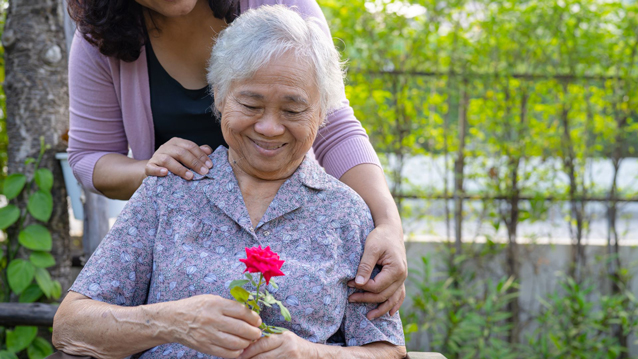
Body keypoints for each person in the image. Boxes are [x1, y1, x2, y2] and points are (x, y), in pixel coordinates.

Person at [52, 6, 406, 358]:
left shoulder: (346, 213)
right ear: (219, 97)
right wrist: (171, 321)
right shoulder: (167, 192)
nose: (269, 127)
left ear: (321, 112)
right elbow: (70, 327)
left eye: (293, 110)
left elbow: (387, 350)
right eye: (251, 105)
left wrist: (311, 354)